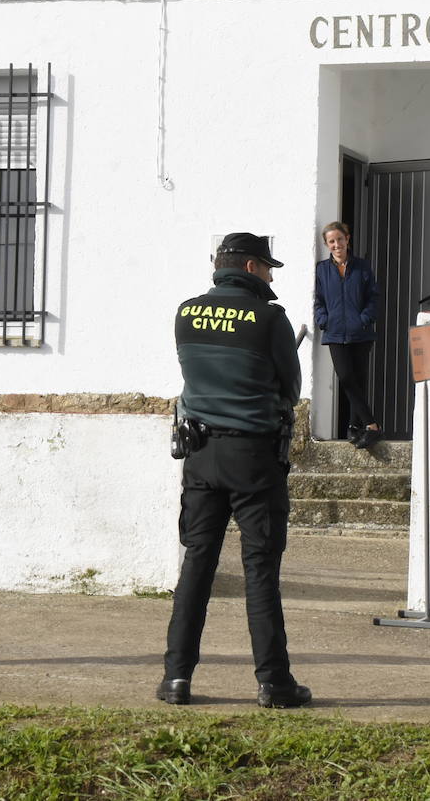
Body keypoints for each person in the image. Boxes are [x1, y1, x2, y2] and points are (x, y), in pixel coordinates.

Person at [158, 232, 311, 709]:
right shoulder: (269, 318)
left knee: (196, 568)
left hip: (200, 457)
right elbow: (289, 389)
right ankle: (273, 684)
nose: (270, 276)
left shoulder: (186, 313)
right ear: (250, 268)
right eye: (268, 268)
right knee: (260, 572)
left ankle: (175, 679)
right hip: (254, 459)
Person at [313, 220, 382, 449]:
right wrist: (324, 321)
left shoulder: (362, 267)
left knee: (358, 381)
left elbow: (373, 297)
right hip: (334, 333)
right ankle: (371, 425)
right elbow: (319, 301)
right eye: (331, 241)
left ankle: (354, 428)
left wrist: (364, 320)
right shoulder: (322, 270)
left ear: (347, 239)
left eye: (339, 239)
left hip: (360, 333)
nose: (336, 244)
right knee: (346, 378)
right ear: (326, 244)